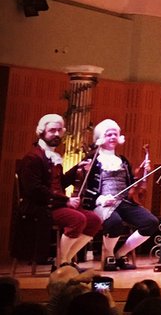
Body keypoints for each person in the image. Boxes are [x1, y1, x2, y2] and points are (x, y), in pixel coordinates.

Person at [68, 119, 159, 271]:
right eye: (108, 134)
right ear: (101, 138)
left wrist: (143, 173)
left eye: (115, 134)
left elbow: (130, 184)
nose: (112, 137)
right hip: (99, 203)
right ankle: (108, 254)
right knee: (114, 222)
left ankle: (120, 254)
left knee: (151, 222)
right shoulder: (92, 160)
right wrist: (100, 199)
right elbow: (84, 187)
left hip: (122, 202)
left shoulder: (122, 160)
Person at [15, 113, 104, 268]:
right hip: (40, 207)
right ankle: (61, 263)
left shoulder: (54, 156)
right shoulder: (33, 157)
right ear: (42, 132)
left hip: (56, 204)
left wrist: (78, 168)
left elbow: (59, 182)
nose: (56, 134)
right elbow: (34, 190)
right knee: (77, 219)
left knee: (94, 221)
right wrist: (66, 200)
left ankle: (66, 260)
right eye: (52, 130)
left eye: (59, 130)